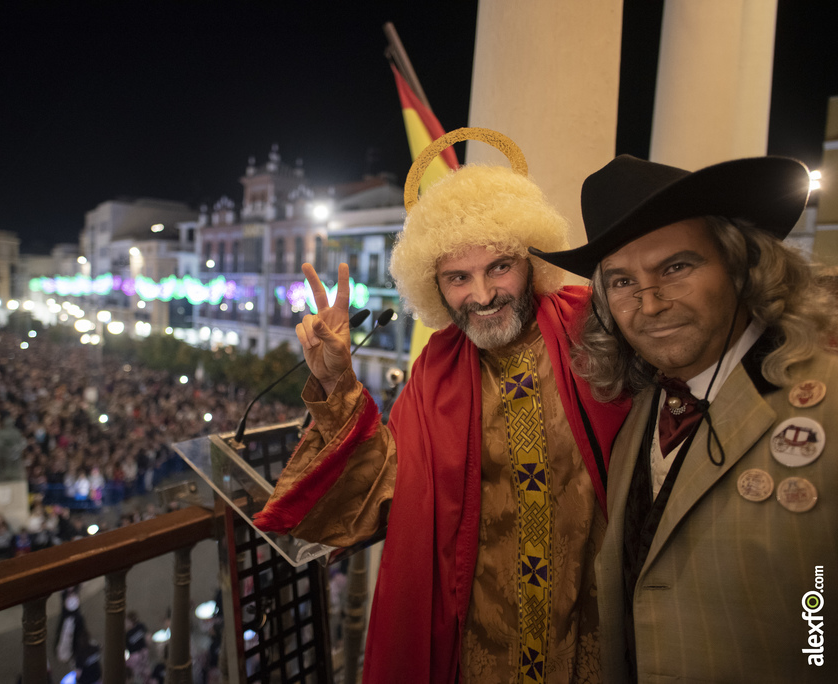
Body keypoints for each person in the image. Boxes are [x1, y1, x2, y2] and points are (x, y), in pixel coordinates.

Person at [254, 128, 630, 683]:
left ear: (532, 259)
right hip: (479, 643)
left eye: (500, 266)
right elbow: (385, 490)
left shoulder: (598, 328)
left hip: (598, 634)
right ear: (434, 285)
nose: (481, 295)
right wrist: (337, 387)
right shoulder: (435, 369)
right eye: (458, 277)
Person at [530, 154, 838, 682]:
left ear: (743, 267)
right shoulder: (641, 411)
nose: (649, 305)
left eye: (676, 268)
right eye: (622, 282)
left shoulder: (827, 404)